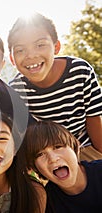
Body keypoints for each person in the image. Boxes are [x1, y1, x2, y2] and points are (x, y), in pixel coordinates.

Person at [8, 12, 102, 161]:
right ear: (12, 59)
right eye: (20, 50)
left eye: (40, 45)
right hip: (50, 153)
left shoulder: (80, 71)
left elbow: (94, 118)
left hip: (85, 146)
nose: (31, 55)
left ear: (56, 47)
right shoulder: (17, 90)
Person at [20, 120, 102, 213]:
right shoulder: (47, 202)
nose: (53, 159)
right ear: (34, 167)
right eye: (40, 154)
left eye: (58, 147)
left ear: (75, 148)